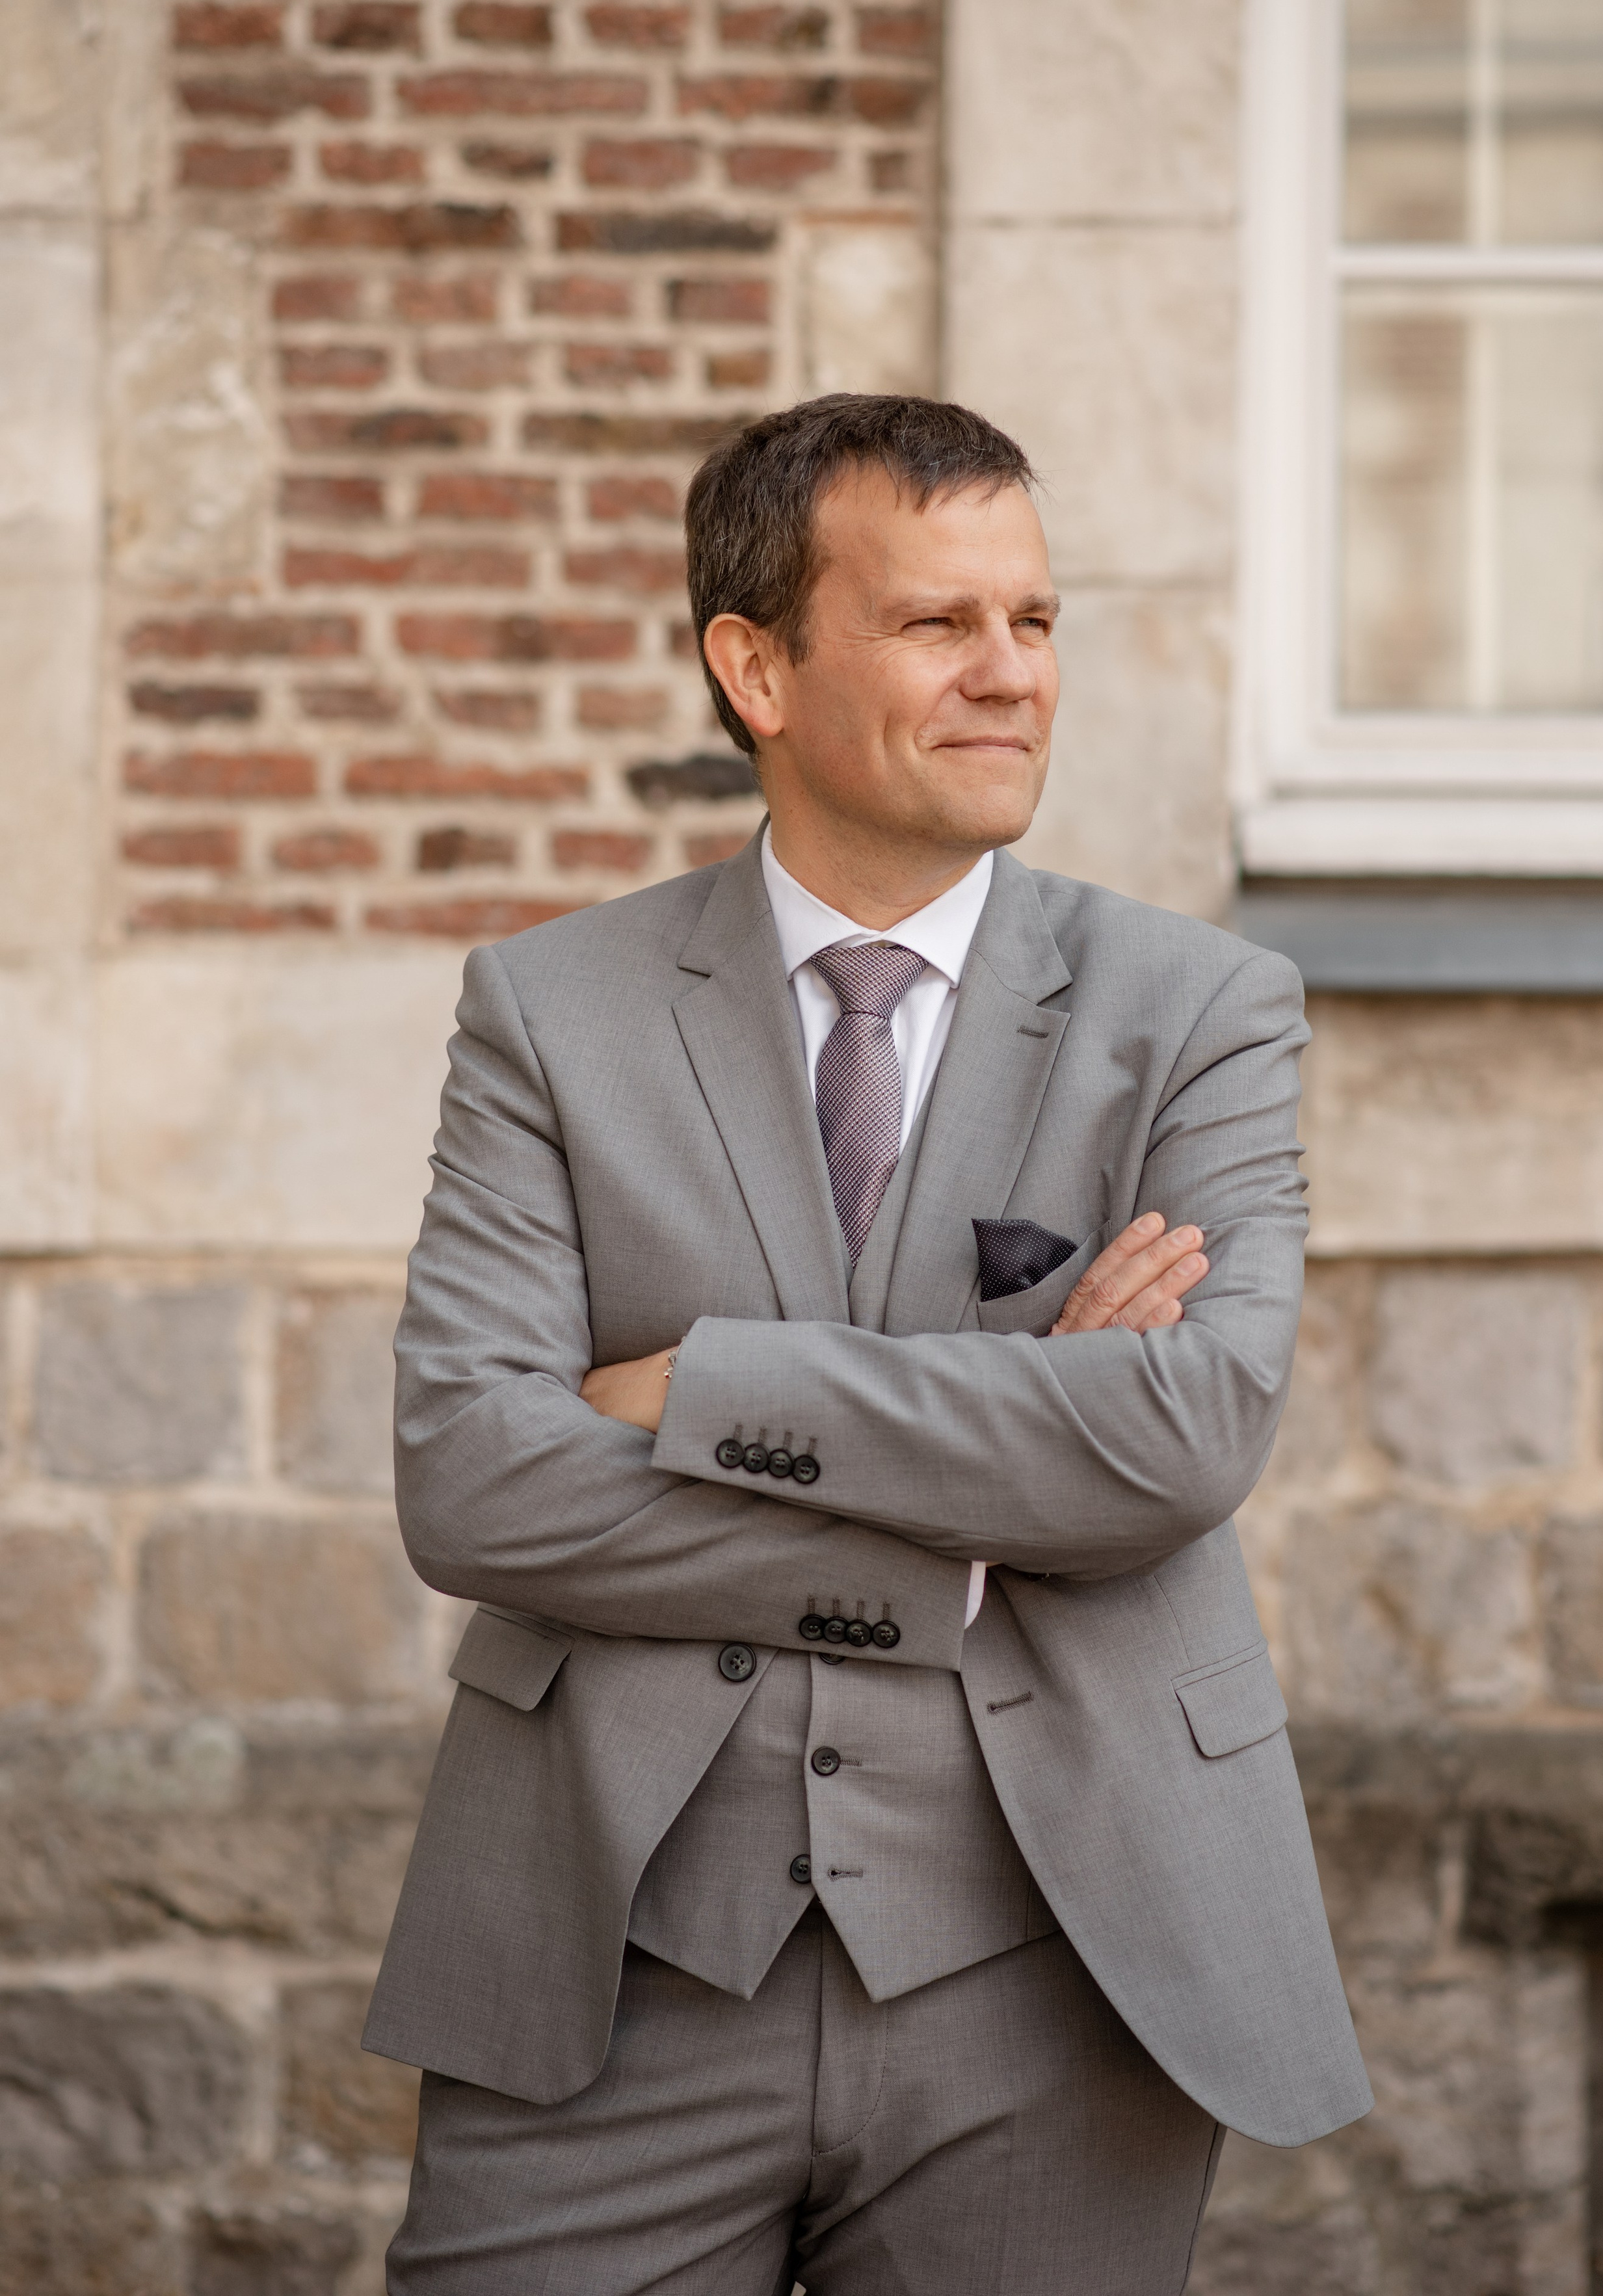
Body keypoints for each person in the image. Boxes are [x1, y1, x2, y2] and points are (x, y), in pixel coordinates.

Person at [366, 393, 1371, 2295]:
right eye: (939, 625)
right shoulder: (548, 1010)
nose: (1013, 677)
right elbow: (477, 1479)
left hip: (1065, 1963)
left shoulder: (1200, 1011)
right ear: (754, 664)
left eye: (1039, 622)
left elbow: (1178, 1441)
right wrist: (994, 1496)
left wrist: (711, 1387)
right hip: (619, 1958)